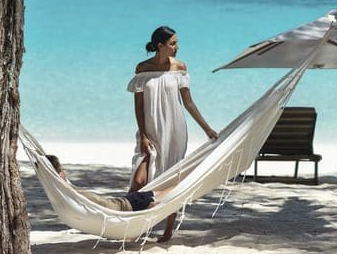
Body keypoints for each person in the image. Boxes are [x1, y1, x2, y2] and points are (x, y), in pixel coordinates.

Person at [127, 25, 218, 242]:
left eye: (177, 43)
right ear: (160, 46)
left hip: (175, 130)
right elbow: (138, 107)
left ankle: (168, 229)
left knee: (171, 180)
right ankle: (130, 224)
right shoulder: (142, 69)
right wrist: (144, 135)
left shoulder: (179, 67)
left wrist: (207, 128)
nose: (177, 47)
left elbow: (188, 102)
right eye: (173, 43)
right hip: (150, 130)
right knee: (139, 181)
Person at [46, 155, 158, 212]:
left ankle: (148, 156)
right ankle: (148, 157)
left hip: (122, 203)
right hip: (125, 205)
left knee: (159, 195)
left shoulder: (62, 189)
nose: (64, 171)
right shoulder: (66, 189)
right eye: (62, 169)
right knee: (163, 194)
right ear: (60, 174)